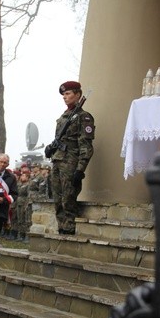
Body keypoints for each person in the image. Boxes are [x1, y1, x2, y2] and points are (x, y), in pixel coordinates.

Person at [50, 81, 95, 235]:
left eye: (68, 93)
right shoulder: (64, 117)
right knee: (57, 199)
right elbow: (59, 140)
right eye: (63, 94)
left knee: (68, 199)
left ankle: (69, 230)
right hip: (57, 160)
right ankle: (61, 228)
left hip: (70, 163)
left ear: (78, 95)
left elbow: (86, 146)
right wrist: (50, 148)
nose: (65, 97)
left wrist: (80, 169)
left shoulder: (84, 117)